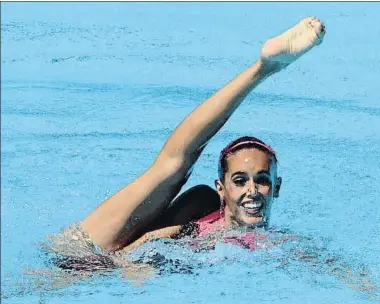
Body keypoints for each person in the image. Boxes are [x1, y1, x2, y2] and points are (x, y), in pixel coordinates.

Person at [55, 17, 326, 256]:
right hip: (82, 252)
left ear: (277, 187)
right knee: (172, 167)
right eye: (240, 180)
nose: (252, 191)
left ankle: (264, 68)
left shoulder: (279, 244)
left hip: (99, 271)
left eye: (263, 180)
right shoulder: (203, 204)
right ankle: (263, 68)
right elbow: (137, 254)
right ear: (222, 188)